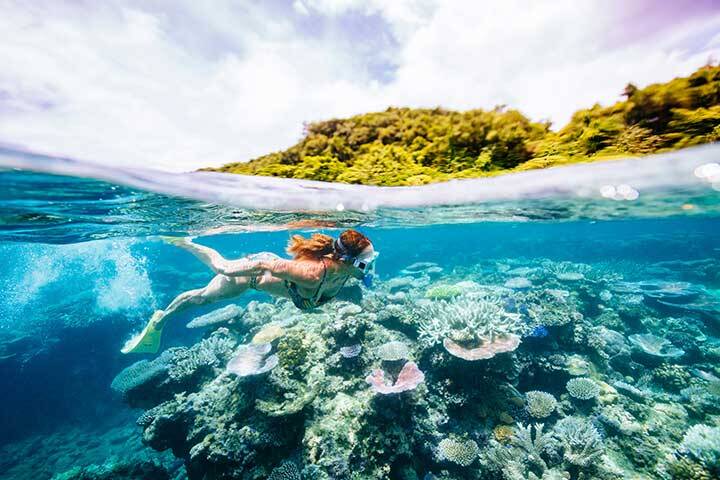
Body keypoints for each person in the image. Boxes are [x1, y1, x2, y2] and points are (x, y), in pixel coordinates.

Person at [121, 229, 378, 354]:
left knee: (205, 294)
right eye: (367, 262)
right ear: (348, 260)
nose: (370, 267)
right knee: (205, 293)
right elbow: (270, 265)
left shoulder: (345, 272)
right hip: (250, 276)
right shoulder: (313, 273)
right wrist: (231, 270)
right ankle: (184, 246)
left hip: (268, 276)